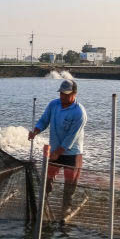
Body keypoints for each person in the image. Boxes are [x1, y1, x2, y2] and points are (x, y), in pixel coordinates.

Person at [28, 79, 88, 216]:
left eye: (67, 94)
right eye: (61, 94)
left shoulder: (79, 113)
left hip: (72, 153)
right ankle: (43, 204)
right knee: (47, 179)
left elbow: (72, 137)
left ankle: (65, 208)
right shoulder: (53, 105)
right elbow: (44, 120)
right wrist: (35, 131)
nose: (63, 97)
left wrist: (58, 152)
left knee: (70, 183)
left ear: (74, 94)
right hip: (55, 150)